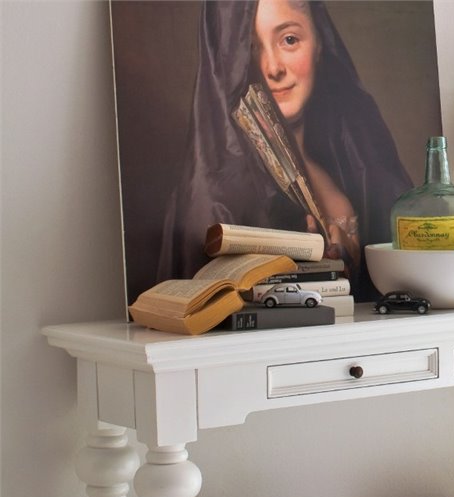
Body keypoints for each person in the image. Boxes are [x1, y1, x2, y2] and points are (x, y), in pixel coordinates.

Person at [157, 0, 413, 301]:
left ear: (319, 43)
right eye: (250, 48)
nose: (273, 68)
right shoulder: (211, 196)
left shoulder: (356, 154)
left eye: (289, 40)